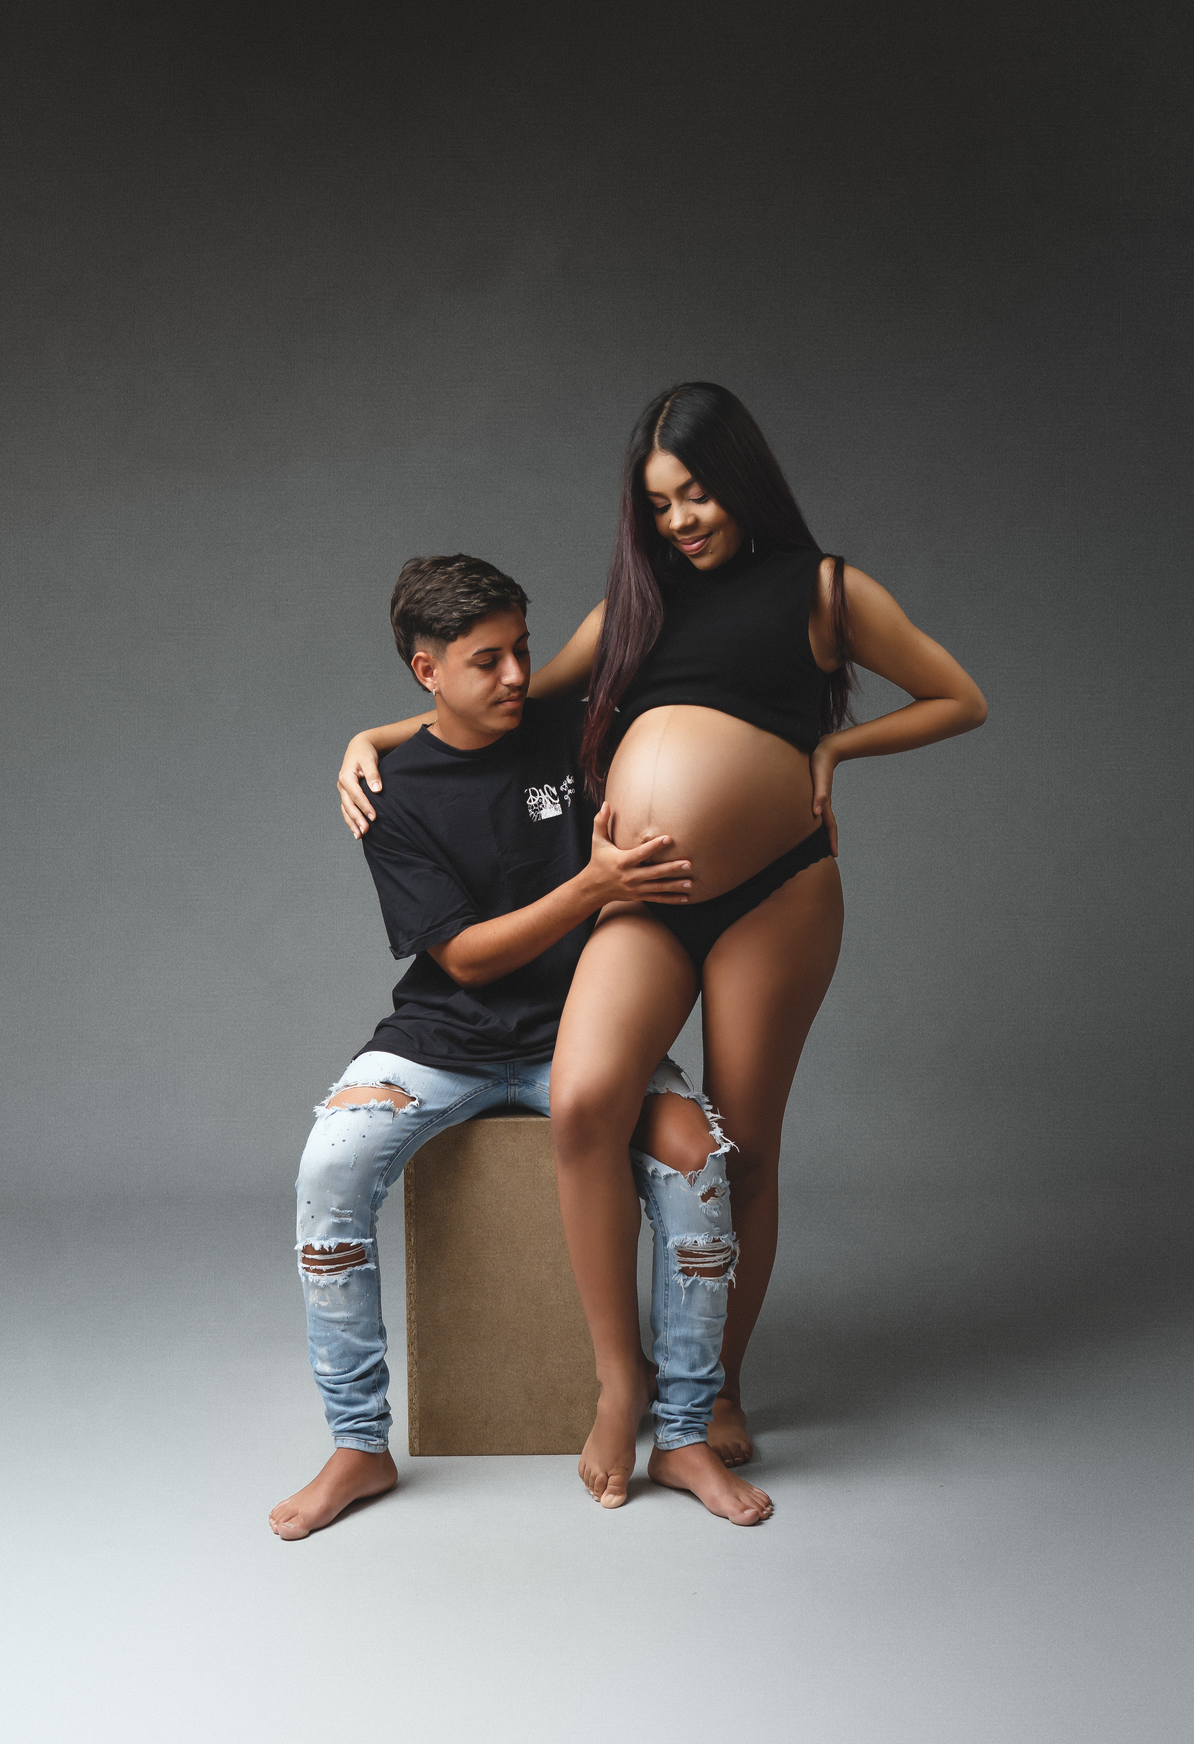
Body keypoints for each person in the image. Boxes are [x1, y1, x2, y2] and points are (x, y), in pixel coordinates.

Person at [338, 382, 987, 1512]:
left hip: (777, 895)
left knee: (747, 1144)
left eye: (697, 494)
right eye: (659, 503)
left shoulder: (826, 591)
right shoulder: (634, 603)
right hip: (643, 895)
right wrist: (374, 733)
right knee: (588, 1100)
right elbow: (518, 698)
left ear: (740, 480)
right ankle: (618, 1379)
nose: (681, 520)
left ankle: (716, 1387)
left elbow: (958, 697)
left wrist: (836, 752)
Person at [271, 552, 773, 1541]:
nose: (517, 677)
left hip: (586, 1030)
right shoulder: (392, 792)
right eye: (487, 661)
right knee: (329, 1168)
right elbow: (463, 958)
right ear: (427, 671)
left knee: (698, 1166)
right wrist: (592, 888)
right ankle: (359, 1445)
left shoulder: (574, 733)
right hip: (442, 1042)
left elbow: (690, 684)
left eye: (523, 651)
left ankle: (682, 1435)